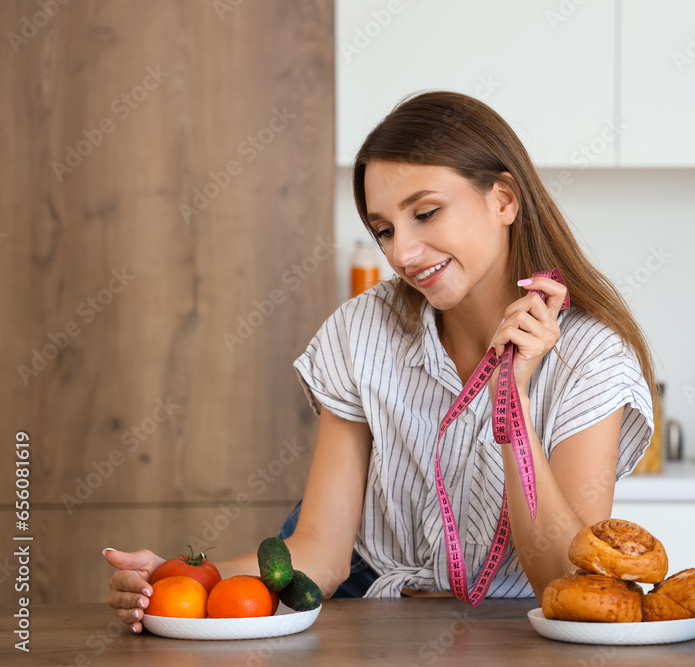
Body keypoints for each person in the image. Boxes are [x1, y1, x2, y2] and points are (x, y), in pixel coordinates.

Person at [105, 91, 656, 632]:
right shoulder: (362, 330)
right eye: (385, 230)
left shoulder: (593, 357)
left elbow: (565, 580)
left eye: (426, 213)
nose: (402, 254)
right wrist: (185, 581)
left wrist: (511, 401)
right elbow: (321, 555)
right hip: (370, 615)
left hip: (514, 630)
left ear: (504, 199)